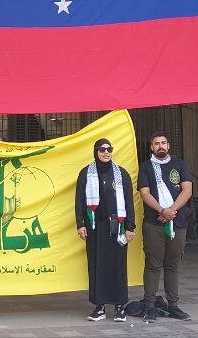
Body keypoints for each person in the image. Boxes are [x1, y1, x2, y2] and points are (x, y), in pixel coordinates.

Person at [75, 138, 136, 322]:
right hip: (95, 227)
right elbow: (79, 202)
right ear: (96, 151)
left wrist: (130, 227)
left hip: (117, 227)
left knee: (118, 266)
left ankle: (120, 307)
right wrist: (80, 224)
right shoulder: (86, 173)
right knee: (96, 265)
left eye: (109, 149)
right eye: (102, 149)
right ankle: (99, 307)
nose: (106, 152)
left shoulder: (121, 174)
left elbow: (128, 201)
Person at [136, 131, 193, 322]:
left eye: (163, 143)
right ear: (151, 147)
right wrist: (162, 210)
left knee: (173, 265)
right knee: (153, 265)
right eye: (156, 143)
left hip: (178, 222)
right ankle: (150, 306)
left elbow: (187, 190)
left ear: (168, 146)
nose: (160, 146)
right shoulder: (145, 167)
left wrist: (171, 211)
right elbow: (145, 193)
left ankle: (173, 305)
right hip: (154, 223)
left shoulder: (180, 164)